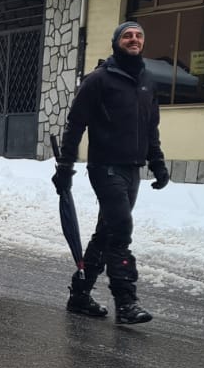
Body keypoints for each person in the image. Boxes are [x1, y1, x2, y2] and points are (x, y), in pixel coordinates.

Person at [53, 20, 170, 324]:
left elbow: (150, 128)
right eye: (128, 35)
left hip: (133, 169)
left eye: (138, 35)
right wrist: (65, 167)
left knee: (106, 233)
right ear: (117, 41)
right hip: (104, 167)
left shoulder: (147, 80)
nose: (134, 39)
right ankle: (126, 302)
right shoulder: (99, 80)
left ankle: (80, 295)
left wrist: (157, 163)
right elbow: (76, 125)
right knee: (121, 230)